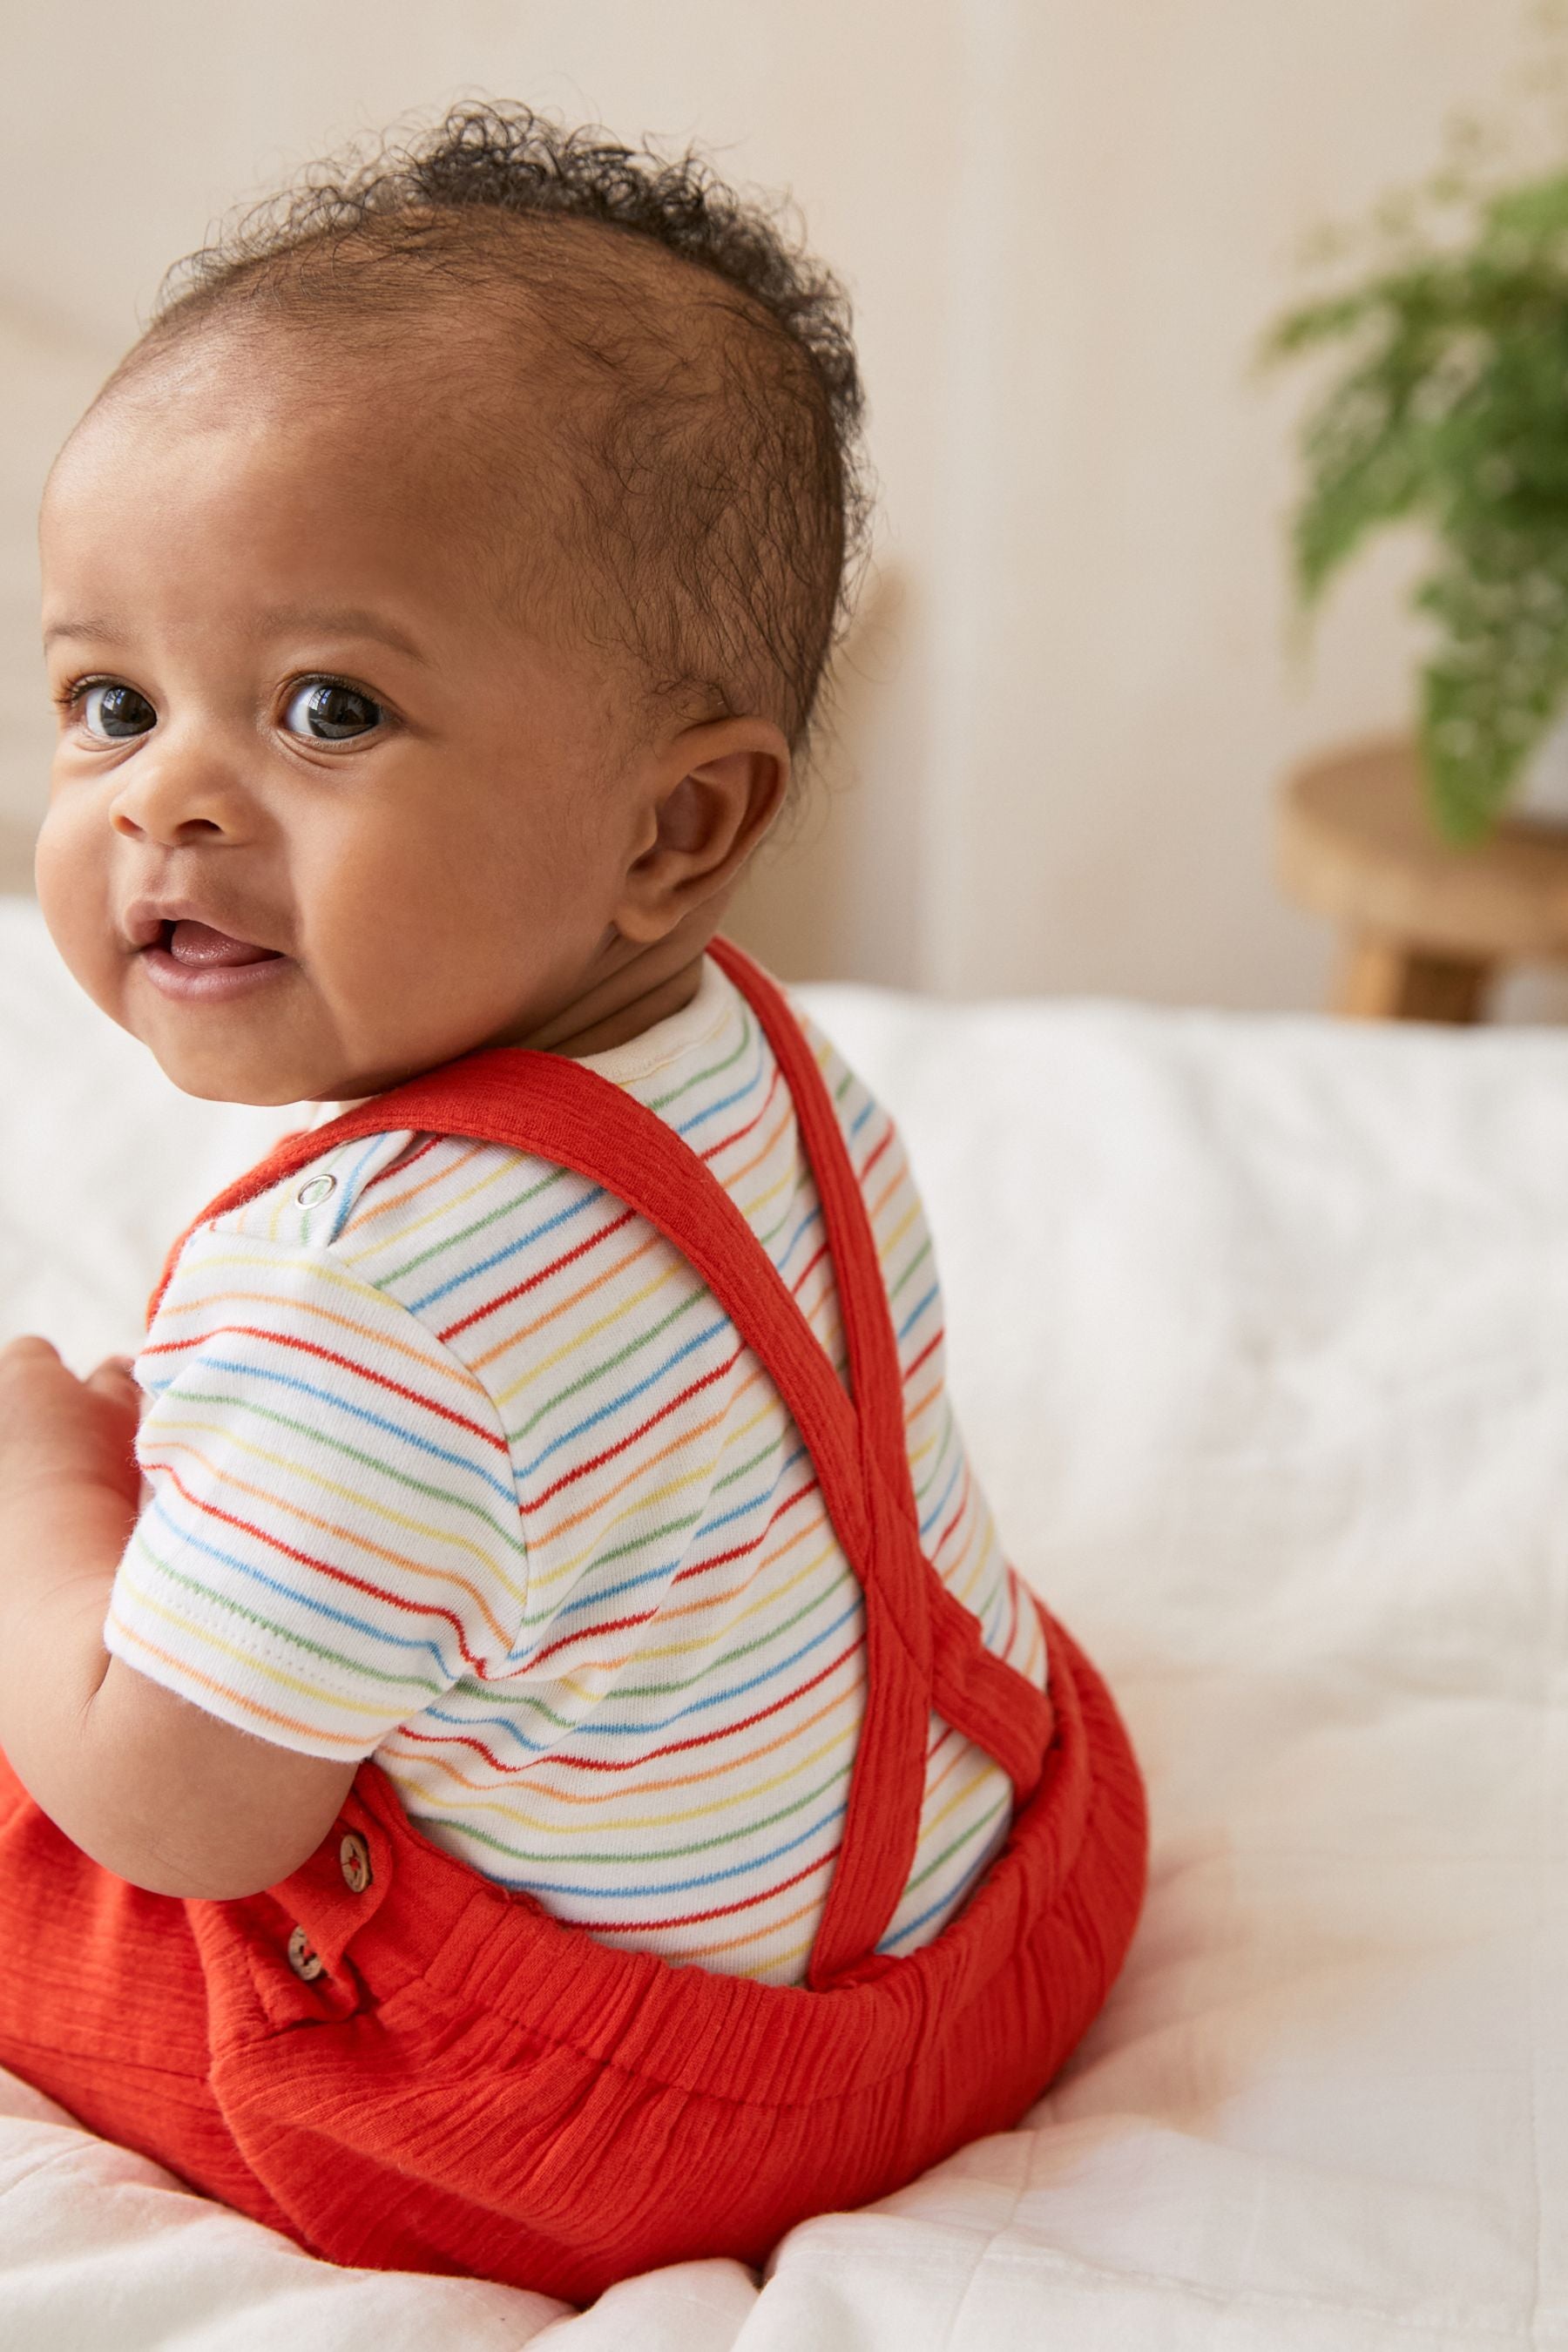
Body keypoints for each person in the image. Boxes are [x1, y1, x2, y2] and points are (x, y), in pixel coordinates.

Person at [0, 104, 1146, 2301]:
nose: (168, 802)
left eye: (328, 708)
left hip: (610, 2125)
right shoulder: (764, 1060)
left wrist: (49, 1503)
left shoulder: (364, 1299)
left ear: (676, 822)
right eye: (109, 703)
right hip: (1020, 1902)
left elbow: (181, 1811)